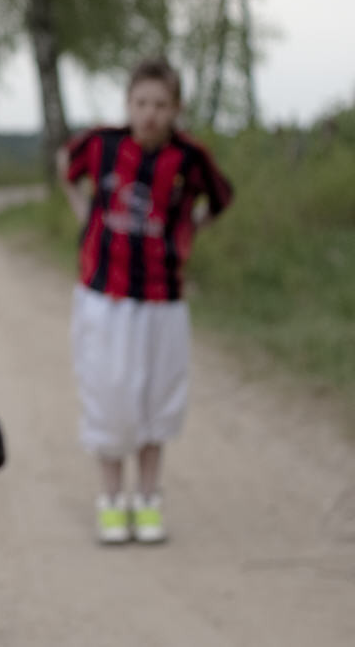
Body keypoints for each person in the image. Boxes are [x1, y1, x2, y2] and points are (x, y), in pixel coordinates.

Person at [56, 57, 233, 546]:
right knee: (108, 395)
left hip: (161, 300)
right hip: (104, 297)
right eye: (141, 103)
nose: (150, 114)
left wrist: (187, 231)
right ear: (128, 104)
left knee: (157, 399)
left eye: (160, 104)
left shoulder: (189, 158)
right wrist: (85, 214)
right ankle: (111, 500)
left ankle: (148, 499)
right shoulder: (102, 145)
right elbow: (65, 167)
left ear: (176, 108)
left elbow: (220, 197)